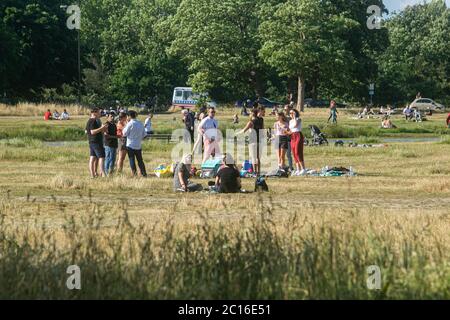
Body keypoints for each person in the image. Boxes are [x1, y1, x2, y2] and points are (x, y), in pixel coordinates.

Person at [237, 107, 265, 175]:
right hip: (260, 140)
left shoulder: (251, 122)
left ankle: (255, 172)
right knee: (258, 157)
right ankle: (258, 171)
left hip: (253, 141)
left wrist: (236, 134)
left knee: (253, 157)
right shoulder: (261, 119)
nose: (249, 114)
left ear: (253, 114)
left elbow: (244, 130)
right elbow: (263, 129)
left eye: (250, 113)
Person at [123, 110, 147, 177]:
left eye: (127, 116)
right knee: (140, 160)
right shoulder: (140, 123)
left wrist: (125, 125)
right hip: (138, 145)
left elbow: (124, 133)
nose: (127, 118)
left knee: (132, 160)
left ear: (129, 116)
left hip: (130, 145)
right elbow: (144, 135)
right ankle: (144, 173)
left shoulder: (130, 123)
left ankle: (134, 173)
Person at [86, 107, 108, 178]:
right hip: (96, 141)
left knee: (92, 158)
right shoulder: (93, 121)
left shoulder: (90, 120)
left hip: (92, 142)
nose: (100, 114)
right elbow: (92, 132)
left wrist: (102, 128)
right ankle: (103, 173)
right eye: (99, 112)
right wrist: (102, 128)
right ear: (94, 113)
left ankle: (92, 175)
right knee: (101, 157)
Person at [286, 109, 306, 176]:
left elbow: (295, 125)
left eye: (292, 113)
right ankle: (298, 169)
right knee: (294, 153)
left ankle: (303, 169)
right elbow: (291, 130)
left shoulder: (298, 119)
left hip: (298, 135)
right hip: (292, 136)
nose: (291, 114)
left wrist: (294, 116)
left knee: (298, 152)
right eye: (290, 113)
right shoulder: (290, 121)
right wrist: (286, 132)